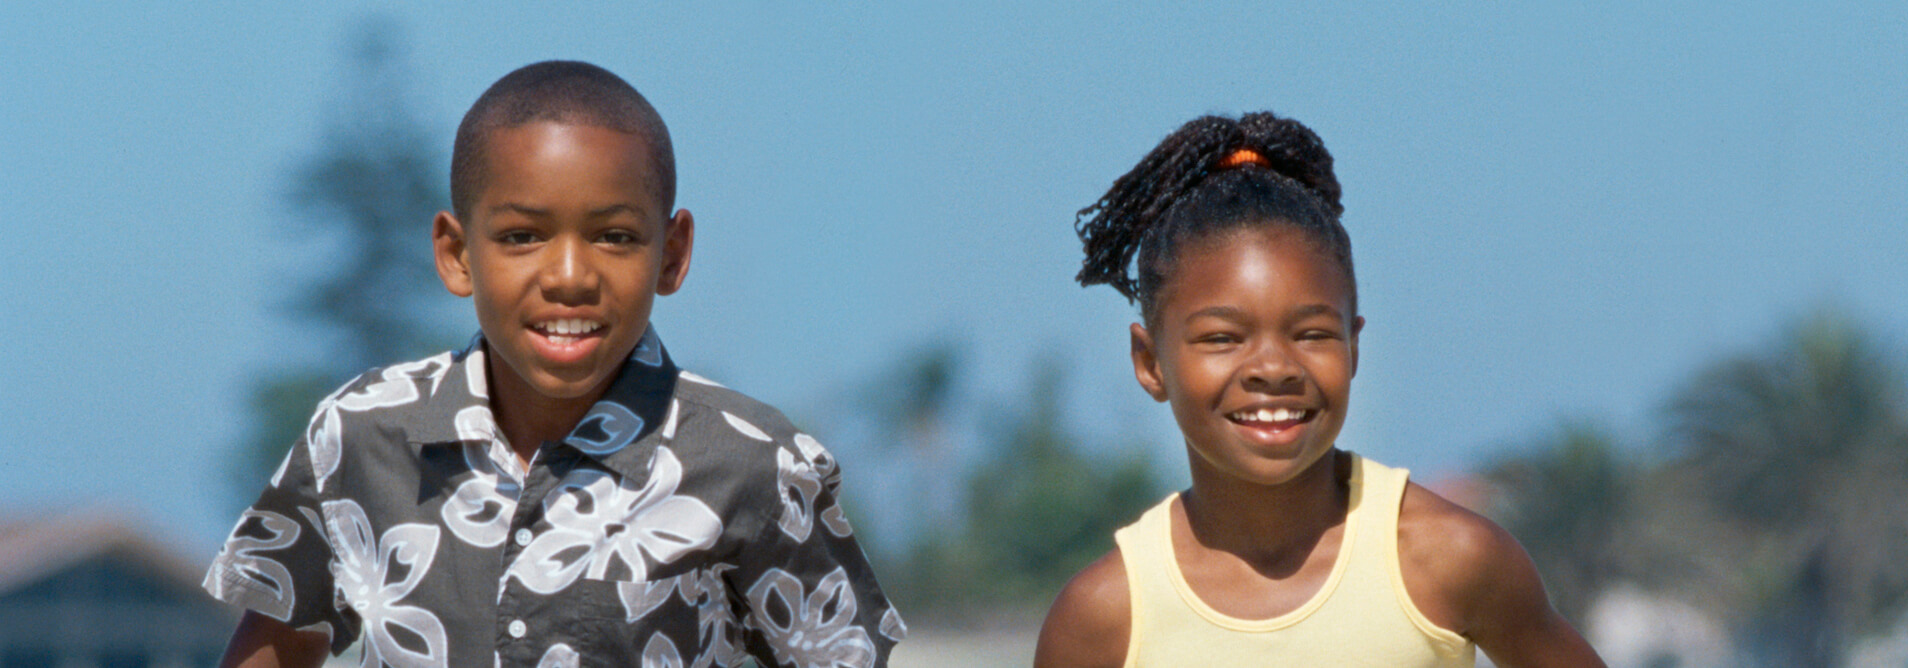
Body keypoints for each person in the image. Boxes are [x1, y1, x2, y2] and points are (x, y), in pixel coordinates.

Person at [205, 61, 902, 668]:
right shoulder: (362, 435)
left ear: (672, 253)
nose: (570, 275)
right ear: (456, 253)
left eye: (615, 236)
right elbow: (280, 647)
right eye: (521, 236)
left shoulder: (750, 464)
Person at [1032, 112, 1603, 667]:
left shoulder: (1448, 560)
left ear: (1353, 347)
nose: (1274, 366)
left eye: (1312, 333)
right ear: (1150, 361)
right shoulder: (1107, 620)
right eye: (1223, 337)